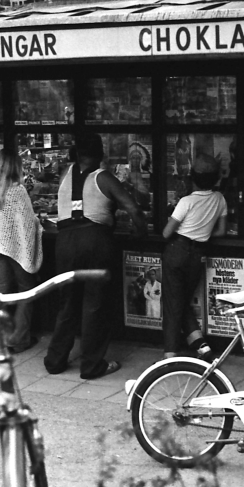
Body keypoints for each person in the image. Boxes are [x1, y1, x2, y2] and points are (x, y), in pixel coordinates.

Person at [44, 132, 148, 379]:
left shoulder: (65, 175)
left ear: (77, 154)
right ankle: (91, 365)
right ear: (100, 155)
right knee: (94, 305)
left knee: (67, 304)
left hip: (65, 242)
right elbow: (133, 207)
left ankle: (55, 360)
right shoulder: (104, 177)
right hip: (95, 242)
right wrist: (141, 233)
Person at [160, 153, 227, 360]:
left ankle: (170, 355)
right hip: (198, 254)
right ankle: (201, 345)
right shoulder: (219, 199)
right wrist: (202, 235)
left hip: (178, 251)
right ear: (215, 178)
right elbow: (221, 231)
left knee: (173, 303)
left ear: (192, 178)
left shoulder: (186, 201)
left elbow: (166, 233)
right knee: (181, 300)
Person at [0, 150, 43, 354]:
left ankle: (0, 336)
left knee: (3, 292)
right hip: (15, 246)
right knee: (27, 291)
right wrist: (39, 225)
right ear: (14, 167)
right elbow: (27, 223)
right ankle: (19, 339)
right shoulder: (17, 191)